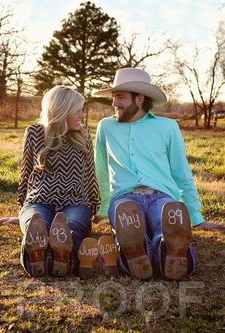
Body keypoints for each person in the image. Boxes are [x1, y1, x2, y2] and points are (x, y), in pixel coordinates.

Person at [94, 67, 223, 281]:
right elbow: (101, 171)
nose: (114, 103)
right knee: (127, 218)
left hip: (161, 197)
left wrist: (194, 216)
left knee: (166, 224)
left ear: (140, 99)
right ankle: (139, 250)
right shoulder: (105, 127)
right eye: (114, 98)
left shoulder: (168, 127)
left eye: (120, 97)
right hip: (124, 199)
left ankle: (168, 250)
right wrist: (104, 208)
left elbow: (181, 172)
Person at [17, 85, 101, 278]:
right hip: (38, 202)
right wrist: (23, 210)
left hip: (76, 204)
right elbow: (26, 173)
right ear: (62, 110)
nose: (82, 114)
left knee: (70, 229)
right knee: (36, 225)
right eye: (77, 110)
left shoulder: (83, 134)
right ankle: (35, 257)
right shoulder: (34, 133)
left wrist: (94, 207)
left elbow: (90, 173)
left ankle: (63, 258)